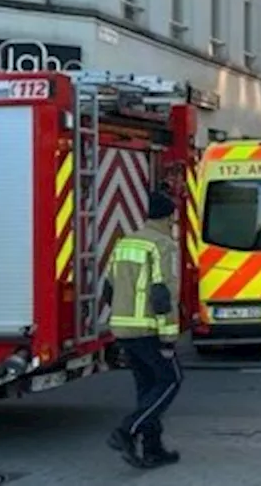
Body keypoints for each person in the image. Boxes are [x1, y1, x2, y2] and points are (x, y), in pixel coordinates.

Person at [105, 190, 183, 469]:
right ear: (169, 216)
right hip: (148, 328)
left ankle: (152, 448)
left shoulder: (125, 243)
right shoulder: (162, 245)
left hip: (123, 327)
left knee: (147, 386)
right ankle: (127, 431)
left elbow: (108, 287)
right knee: (171, 380)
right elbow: (162, 295)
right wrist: (168, 338)